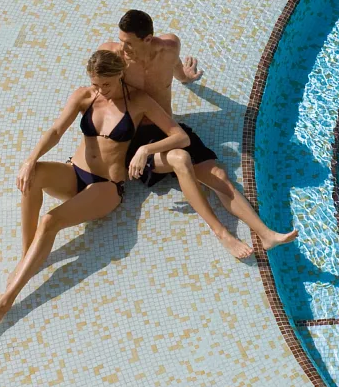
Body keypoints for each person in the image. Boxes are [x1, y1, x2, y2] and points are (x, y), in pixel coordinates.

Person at [0, 49, 185, 333]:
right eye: (96, 84)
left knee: (49, 221)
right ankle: (27, 257)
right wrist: (30, 160)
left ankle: (6, 301)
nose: (101, 90)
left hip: (106, 187)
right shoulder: (85, 96)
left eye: (106, 84)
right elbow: (57, 130)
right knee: (34, 176)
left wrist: (145, 149)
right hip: (74, 172)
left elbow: (178, 135)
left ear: (120, 74)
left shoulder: (139, 101)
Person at [127, 92, 297, 263]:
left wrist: (185, 76)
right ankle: (221, 233)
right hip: (143, 144)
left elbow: (177, 75)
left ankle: (266, 235)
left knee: (219, 176)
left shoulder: (162, 65)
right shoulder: (119, 84)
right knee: (181, 160)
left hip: (169, 131)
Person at [116, 8, 200, 115]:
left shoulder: (169, 49)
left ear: (147, 39)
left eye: (129, 43)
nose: (123, 48)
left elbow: (174, 63)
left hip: (165, 123)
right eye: (121, 41)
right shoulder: (114, 57)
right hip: (131, 124)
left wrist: (186, 77)